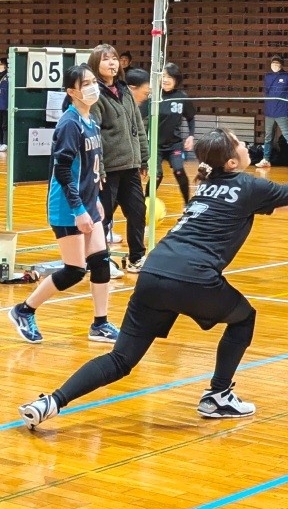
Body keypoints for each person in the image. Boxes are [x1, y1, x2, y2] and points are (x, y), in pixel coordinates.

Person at [17, 128, 288, 430]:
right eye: (239, 143)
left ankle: (51, 402)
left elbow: (257, 205)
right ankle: (218, 395)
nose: (244, 145)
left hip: (154, 274)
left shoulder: (209, 187)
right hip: (194, 279)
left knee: (120, 359)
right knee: (243, 319)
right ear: (231, 161)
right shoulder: (249, 185)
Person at [7, 64, 120, 344]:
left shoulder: (90, 120)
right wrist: (80, 208)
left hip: (88, 202)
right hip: (68, 206)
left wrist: (95, 201)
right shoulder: (69, 123)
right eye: (86, 83)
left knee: (101, 262)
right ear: (72, 91)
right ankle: (24, 310)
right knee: (75, 271)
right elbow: (63, 170)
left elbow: (91, 165)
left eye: (94, 81)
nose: (94, 86)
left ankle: (100, 324)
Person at [90, 44, 149, 273]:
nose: (112, 63)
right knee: (103, 218)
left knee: (137, 212)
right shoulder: (95, 95)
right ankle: (100, 261)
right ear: (96, 64)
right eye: (106, 59)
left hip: (131, 167)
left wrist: (143, 158)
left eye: (114, 58)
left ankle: (137, 257)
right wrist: (100, 168)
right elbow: (93, 134)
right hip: (108, 169)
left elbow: (137, 127)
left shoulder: (124, 90)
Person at [155, 63, 196, 204]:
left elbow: (190, 118)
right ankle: (146, 204)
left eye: (170, 77)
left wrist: (191, 135)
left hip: (174, 145)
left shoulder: (182, 97)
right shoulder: (154, 96)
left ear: (176, 80)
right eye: (164, 76)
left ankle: (187, 203)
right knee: (156, 175)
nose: (166, 80)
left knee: (179, 171)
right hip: (155, 145)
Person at [255, 55, 288, 170]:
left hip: (283, 112)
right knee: (268, 137)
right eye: (273, 63)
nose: (275, 65)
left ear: (281, 64)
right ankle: (266, 159)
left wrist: (286, 106)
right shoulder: (268, 77)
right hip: (269, 112)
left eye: (277, 63)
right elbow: (266, 93)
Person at [0, 56, 8, 152]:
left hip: (5, 104)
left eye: (1, 64)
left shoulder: (8, 76)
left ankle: (5, 142)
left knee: (4, 125)